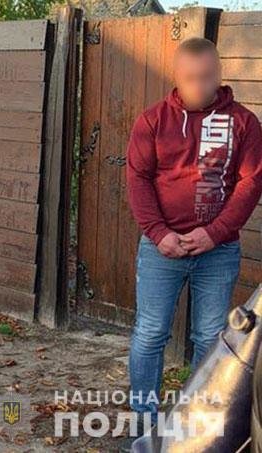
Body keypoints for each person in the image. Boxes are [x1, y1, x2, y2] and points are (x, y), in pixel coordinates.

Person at [123, 37, 262, 448]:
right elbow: (138, 178)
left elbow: (251, 183)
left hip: (218, 252)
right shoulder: (152, 121)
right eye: (190, 78)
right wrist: (159, 233)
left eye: (206, 77)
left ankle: (195, 431)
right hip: (161, 250)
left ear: (219, 73)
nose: (199, 86)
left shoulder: (244, 123)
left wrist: (214, 233)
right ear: (176, 76)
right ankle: (144, 424)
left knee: (211, 339)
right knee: (150, 334)